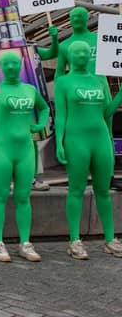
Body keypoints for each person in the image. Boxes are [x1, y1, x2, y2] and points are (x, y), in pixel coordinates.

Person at [0, 52, 49, 263]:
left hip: (25, 150)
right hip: (1, 150)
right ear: (1, 67)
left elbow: (44, 108)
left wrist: (41, 124)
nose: (12, 67)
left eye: (15, 63)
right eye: (7, 64)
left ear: (21, 65)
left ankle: (25, 243)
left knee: (24, 197)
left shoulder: (30, 89)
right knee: (0, 195)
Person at [54, 41, 122, 259]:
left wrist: (120, 95)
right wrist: (59, 142)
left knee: (104, 191)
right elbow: (61, 115)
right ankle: (74, 240)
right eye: (77, 52)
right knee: (76, 189)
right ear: (70, 56)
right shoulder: (63, 82)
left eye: (85, 52)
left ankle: (111, 239)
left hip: (100, 139)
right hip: (76, 140)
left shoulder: (100, 79)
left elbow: (107, 111)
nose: (82, 55)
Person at [55, 6, 122, 191]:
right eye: (72, 16)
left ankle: (108, 176)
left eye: (80, 16)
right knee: (75, 132)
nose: (76, 19)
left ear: (88, 18)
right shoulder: (64, 46)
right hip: (76, 93)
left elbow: (115, 55)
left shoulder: (100, 40)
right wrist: (61, 91)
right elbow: (60, 72)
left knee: (106, 132)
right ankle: (78, 173)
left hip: (100, 88)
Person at [30, 25, 59, 191]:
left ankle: (33, 177)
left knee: (32, 141)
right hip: (4, 102)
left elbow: (51, 53)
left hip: (30, 99)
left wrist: (54, 38)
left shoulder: (29, 49)